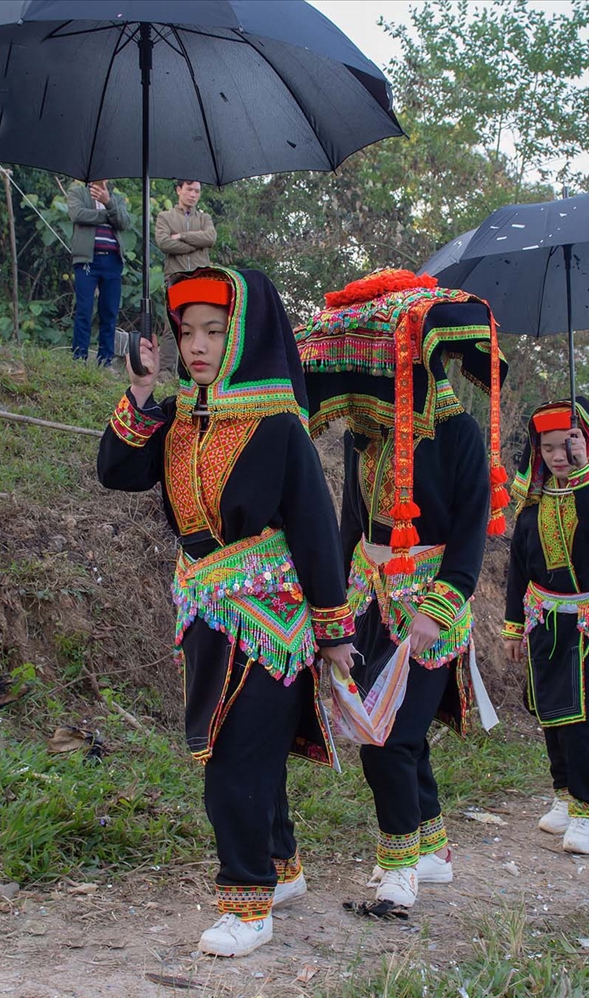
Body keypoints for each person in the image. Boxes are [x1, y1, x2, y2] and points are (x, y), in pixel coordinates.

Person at [97, 266, 357, 958]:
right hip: (205, 608)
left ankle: (247, 904)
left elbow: (316, 529)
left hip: (270, 617)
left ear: (246, 335)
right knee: (247, 749)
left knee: (233, 756)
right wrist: (144, 389)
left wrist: (334, 631)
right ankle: (281, 866)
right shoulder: (180, 419)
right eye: (187, 333)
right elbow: (115, 472)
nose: (198, 347)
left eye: (215, 331)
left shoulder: (278, 428)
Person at [296, 268, 509, 910]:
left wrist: (441, 608)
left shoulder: (459, 435)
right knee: (396, 732)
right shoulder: (368, 439)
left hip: (429, 605)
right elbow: (348, 526)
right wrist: (329, 608)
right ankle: (432, 845)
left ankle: (399, 867)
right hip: (368, 600)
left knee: (389, 735)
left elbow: (474, 530)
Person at [503, 398, 589, 855]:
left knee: (581, 717)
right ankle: (561, 794)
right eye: (549, 448)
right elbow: (519, 567)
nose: (558, 456)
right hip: (544, 619)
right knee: (550, 714)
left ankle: (587, 811)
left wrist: (581, 472)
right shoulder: (532, 504)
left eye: (568, 446)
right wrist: (514, 627)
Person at [68, 178, 132, 363]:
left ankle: (106, 359)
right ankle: (80, 357)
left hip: (113, 260)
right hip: (87, 259)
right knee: (84, 310)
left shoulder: (116, 198)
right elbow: (77, 214)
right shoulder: (78, 193)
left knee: (109, 311)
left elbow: (124, 222)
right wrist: (107, 215)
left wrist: (108, 203)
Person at [155, 179, 216, 276]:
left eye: (197, 191)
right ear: (179, 190)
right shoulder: (165, 217)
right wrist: (197, 245)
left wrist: (181, 236)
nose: (193, 195)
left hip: (201, 277)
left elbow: (211, 238)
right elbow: (164, 243)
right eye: (189, 189)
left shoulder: (204, 218)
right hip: (175, 278)